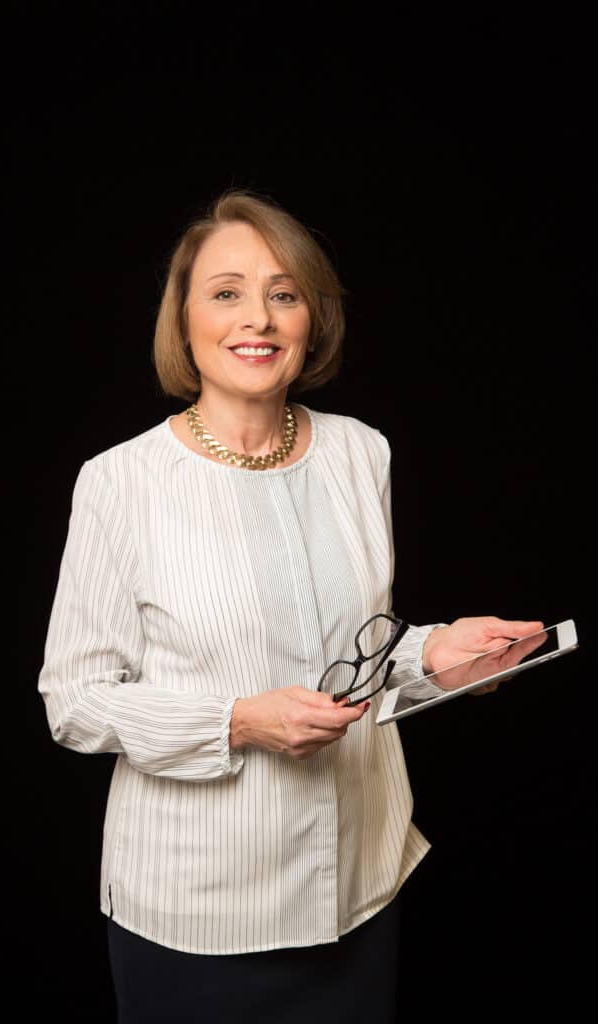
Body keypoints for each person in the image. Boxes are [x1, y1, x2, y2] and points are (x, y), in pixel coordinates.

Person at [37, 189, 543, 1023]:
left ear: (311, 317)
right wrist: (237, 721)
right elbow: (76, 703)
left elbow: (354, 663)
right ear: (184, 319)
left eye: (284, 293)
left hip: (359, 885)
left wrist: (437, 659)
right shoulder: (119, 482)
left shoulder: (357, 452)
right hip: (199, 914)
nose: (258, 319)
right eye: (226, 292)